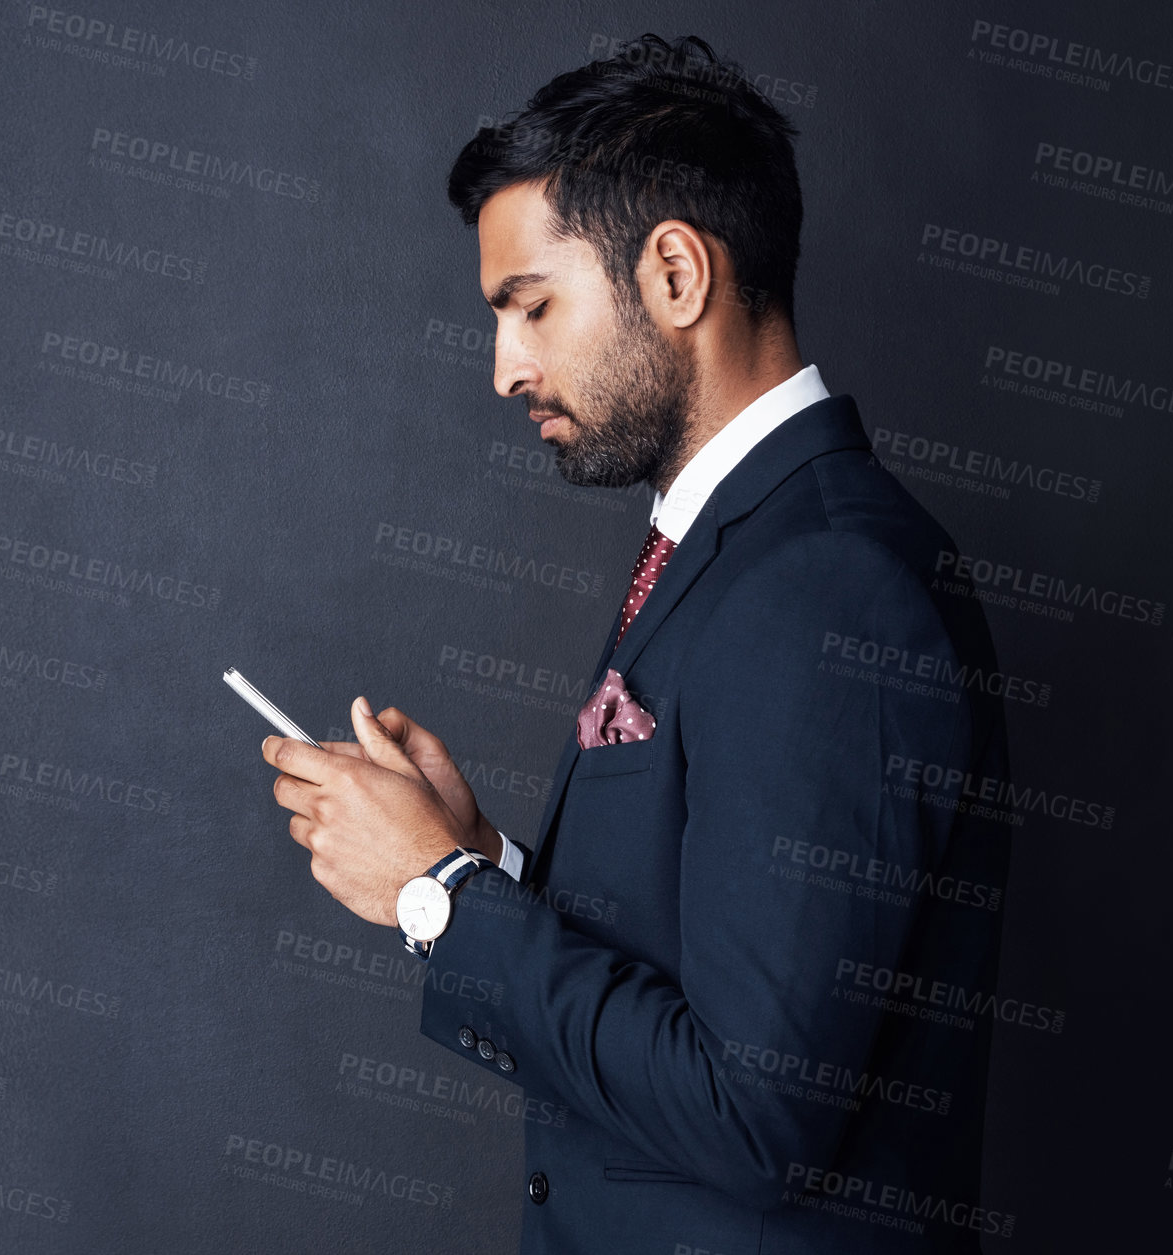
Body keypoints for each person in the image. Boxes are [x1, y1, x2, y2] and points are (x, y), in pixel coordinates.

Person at [262, 33, 1011, 1254]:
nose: (505, 369)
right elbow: (701, 970)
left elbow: (758, 1113)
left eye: (532, 307)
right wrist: (481, 861)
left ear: (673, 272)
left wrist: (438, 900)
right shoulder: (730, 544)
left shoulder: (825, 585)